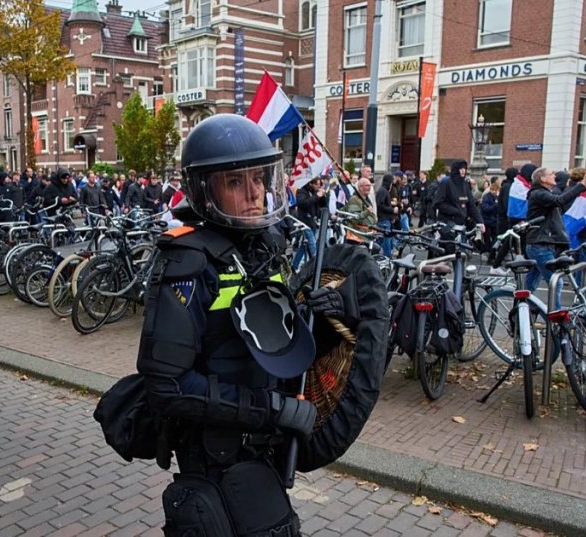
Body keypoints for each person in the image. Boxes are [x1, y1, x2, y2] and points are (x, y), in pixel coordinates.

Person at [138, 114, 361, 537]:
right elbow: (166, 385)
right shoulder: (187, 262)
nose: (256, 192)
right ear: (206, 190)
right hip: (218, 454)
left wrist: (328, 324)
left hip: (264, 447)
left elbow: (272, 345)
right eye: (236, 182)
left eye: (259, 177)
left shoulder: (265, 247)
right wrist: (272, 410)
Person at [524, 167, 586, 307]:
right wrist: (582, 185)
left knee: (530, 285)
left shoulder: (545, 193)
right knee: (556, 282)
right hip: (539, 244)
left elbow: (562, 201)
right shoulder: (539, 194)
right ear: (542, 179)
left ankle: (521, 312)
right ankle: (556, 319)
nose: (554, 175)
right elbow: (559, 201)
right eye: (551, 174)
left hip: (542, 243)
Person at [434, 160, 484, 253]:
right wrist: (456, 211)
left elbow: (471, 205)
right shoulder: (446, 182)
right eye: (461, 169)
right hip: (447, 224)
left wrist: (480, 222)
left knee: (461, 255)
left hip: (461, 226)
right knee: (446, 254)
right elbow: (438, 203)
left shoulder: (465, 184)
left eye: (464, 169)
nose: (463, 171)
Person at [292, 176, 326, 270]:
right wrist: (316, 196)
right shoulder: (302, 191)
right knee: (312, 243)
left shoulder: (314, 192)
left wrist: (322, 197)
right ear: (310, 184)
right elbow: (303, 203)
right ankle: (316, 265)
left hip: (312, 221)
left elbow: (321, 205)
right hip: (304, 221)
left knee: (304, 246)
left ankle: (294, 265)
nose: (318, 186)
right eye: (316, 184)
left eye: (319, 184)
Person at [375, 174, 398, 257]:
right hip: (383, 220)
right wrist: (392, 210)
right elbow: (379, 205)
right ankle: (386, 257)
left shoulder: (383, 191)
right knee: (385, 240)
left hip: (385, 219)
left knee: (383, 239)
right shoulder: (383, 191)